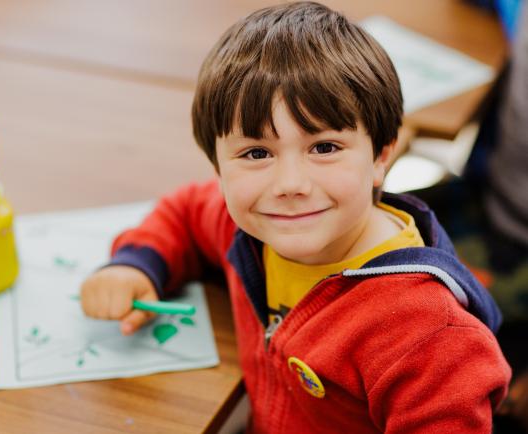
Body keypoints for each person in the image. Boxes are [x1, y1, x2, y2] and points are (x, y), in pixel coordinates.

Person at [80, 3, 511, 432]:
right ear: (217, 164)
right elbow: (187, 211)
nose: (290, 184)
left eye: (324, 148)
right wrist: (137, 265)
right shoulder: (248, 227)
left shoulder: (427, 336)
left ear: (381, 155)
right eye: (256, 153)